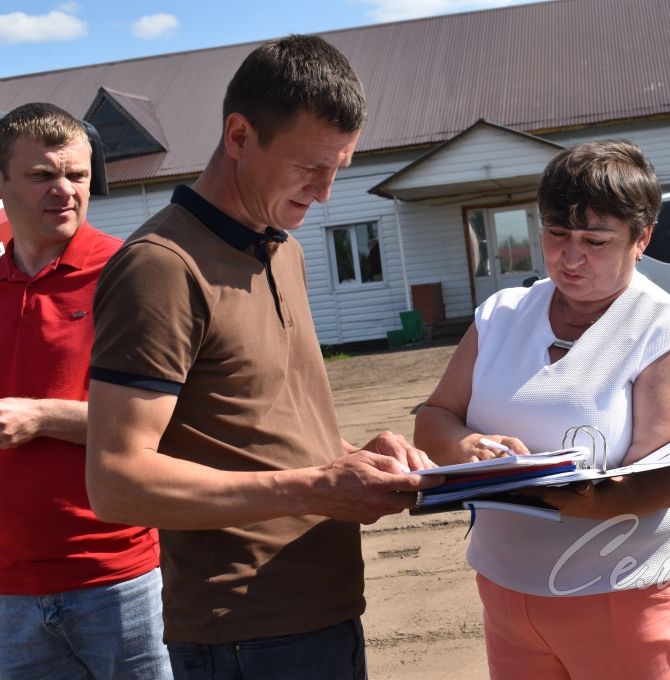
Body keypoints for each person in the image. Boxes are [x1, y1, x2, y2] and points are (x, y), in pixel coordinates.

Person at [85, 35, 439, 679]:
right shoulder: (161, 267)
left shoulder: (283, 246)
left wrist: (354, 459)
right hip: (244, 634)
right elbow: (115, 482)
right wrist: (317, 486)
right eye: (310, 167)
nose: (326, 192)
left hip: (321, 610)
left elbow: (257, 430)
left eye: (338, 167)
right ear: (240, 136)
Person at [415, 140, 670, 680]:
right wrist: (467, 448)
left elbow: (662, 484)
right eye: (556, 235)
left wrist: (540, 489)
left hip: (622, 598)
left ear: (642, 239)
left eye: (595, 240)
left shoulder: (667, 332)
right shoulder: (502, 314)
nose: (570, 256)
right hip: (507, 593)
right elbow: (435, 416)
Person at [0, 103, 172, 678]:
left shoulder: (130, 273)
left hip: (116, 577)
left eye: (77, 175)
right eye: (42, 175)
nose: (65, 190)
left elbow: (172, 425)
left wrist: (44, 417)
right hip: (9, 594)